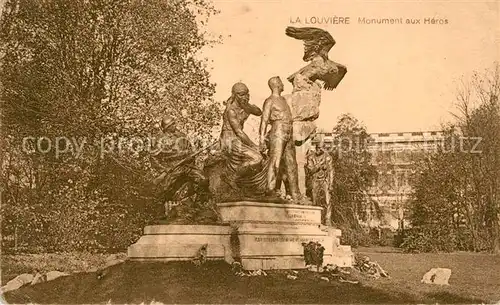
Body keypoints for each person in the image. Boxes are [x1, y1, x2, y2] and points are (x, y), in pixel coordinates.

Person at [151, 115, 206, 208]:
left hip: (187, 166)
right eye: (172, 124)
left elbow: (190, 151)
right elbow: (153, 157)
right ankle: (158, 210)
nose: (175, 125)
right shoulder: (159, 139)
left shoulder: (181, 136)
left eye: (174, 123)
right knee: (165, 189)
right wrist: (164, 169)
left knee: (203, 180)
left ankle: (199, 205)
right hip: (172, 167)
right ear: (167, 127)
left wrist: (190, 157)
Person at [259, 76, 300, 199]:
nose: (283, 84)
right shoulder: (269, 100)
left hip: (288, 131)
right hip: (277, 131)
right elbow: (264, 120)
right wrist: (261, 139)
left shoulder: (283, 100)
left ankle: (295, 193)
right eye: (281, 83)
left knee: (291, 163)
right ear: (276, 84)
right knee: (275, 160)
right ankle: (270, 190)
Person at [219, 82, 263, 177]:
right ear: (234, 95)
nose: (245, 97)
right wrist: (254, 146)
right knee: (257, 158)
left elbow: (259, 112)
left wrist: (248, 106)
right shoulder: (231, 110)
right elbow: (239, 132)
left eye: (247, 94)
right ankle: (233, 178)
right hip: (229, 141)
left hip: (238, 140)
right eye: (242, 94)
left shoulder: (244, 106)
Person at [306, 141, 333, 225]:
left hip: (325, 180)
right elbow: (310, 170)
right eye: (317, 148)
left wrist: (331, 184)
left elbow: (331, 171)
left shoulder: (328, 157)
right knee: (314, 200)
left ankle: (327, 219)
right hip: (315, 179)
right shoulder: (311, 157)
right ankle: (315, 219)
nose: (319, 149)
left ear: (324, 148)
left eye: (321, 148)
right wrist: (319, 165)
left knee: (327, 200)